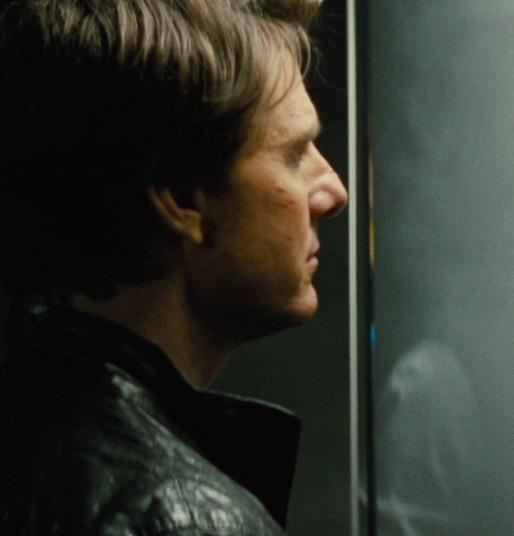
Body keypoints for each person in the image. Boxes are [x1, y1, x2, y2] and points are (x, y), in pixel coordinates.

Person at [0, 0, 347, 533]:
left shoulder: (31, 430)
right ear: (182, 196)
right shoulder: (183, 517)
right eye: (295, 154)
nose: (333, 192)